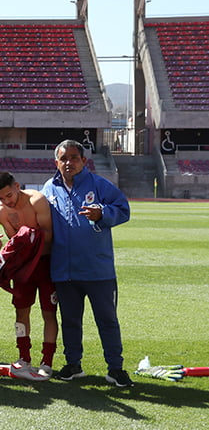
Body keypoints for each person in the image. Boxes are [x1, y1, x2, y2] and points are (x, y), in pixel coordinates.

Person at [41, 139, 132, 387]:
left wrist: (103, 213)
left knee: (107, 321)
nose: (68, 162)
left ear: (83, 161)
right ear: (56, 162)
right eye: (63, 158)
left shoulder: (99, 185)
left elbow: (123, 209)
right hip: (64, 270)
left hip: (98, 269)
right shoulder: (49, 188)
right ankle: (73, 365)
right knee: (70, 321)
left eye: (74, 158)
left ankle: (115, 368)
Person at [0, 171, 57, 380]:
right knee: (21, 312)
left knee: (49, 313)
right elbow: (15, 243)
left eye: (9, 195)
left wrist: (28, 237)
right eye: (1, 197)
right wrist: (1, 247)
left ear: (17, 186)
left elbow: (49, 235)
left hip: (45, 263)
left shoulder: (37, 200)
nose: (6, 201)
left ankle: (47, 362)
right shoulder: (1, 211)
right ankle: (24, 358)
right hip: (23, 267)